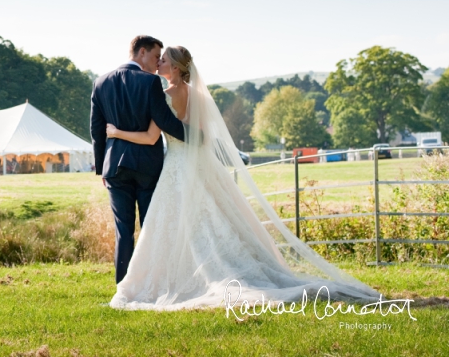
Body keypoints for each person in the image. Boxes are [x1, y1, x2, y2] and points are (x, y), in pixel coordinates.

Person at [106, 45, 380, 310]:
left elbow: (153, 136)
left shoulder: (165, 94)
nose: (158, 63)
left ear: (175, 67)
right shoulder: (199, 96)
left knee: (182, 221)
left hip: (177, 163)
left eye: (163, 59)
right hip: (199, 163)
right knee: (211, 216)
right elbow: (200, 136)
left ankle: (186, 274)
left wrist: (116, 133)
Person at [90, 35, 186, 284]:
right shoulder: (150, 82)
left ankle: (123, 287)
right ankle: (151, 283)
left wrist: (102, 168)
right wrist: (199, 137)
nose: (157, 64)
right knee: (149, 227)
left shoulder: (100, 83)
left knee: (123, 232)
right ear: (141, 52)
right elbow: (165, 121)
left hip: (114, 169)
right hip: (146, 166)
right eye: (156, 56)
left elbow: (97, 131)